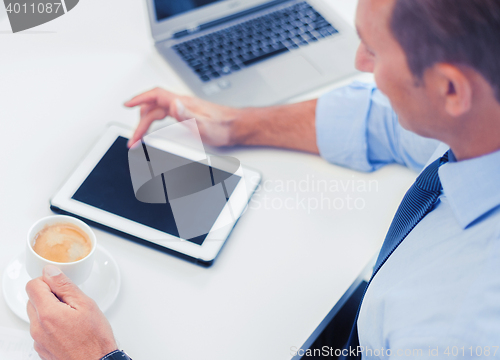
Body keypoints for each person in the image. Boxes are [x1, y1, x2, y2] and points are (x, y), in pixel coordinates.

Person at [26, 0, 500, 359]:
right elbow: (380, 119)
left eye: (373, 50)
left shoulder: (455, 331)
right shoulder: (480, 121)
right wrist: (234, 124)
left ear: (451, 89)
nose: (359, 63)